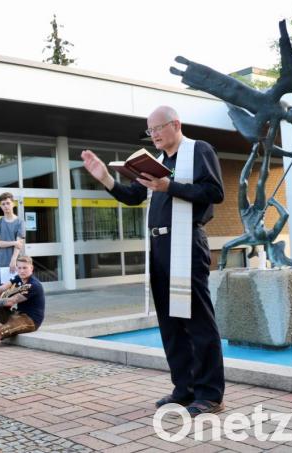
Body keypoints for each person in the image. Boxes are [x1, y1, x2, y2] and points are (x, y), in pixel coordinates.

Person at [80, 105, 226, 416]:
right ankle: (184, 388)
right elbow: (133, 196)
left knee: (196, 321)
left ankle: (210, 393)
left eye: (158, 128)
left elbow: (214, 192)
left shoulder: (198, 149)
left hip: (185, 241)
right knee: (171, 323)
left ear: (175, 124)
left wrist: (168, 186)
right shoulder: (157, 162)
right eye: (150, 130)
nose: (154, 135)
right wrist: (104, 177)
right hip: (159, 246)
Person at [0, 192, 25, 334]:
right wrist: (14, 242)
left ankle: (15, 322)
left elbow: (19, 244)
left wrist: (14, 259)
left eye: (8, 203)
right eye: (3, 204)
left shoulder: (20, 222)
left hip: (15, 264)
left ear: (13, 204)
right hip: (0, 264)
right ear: (0, 206)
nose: (6, 206)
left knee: (15, 295)